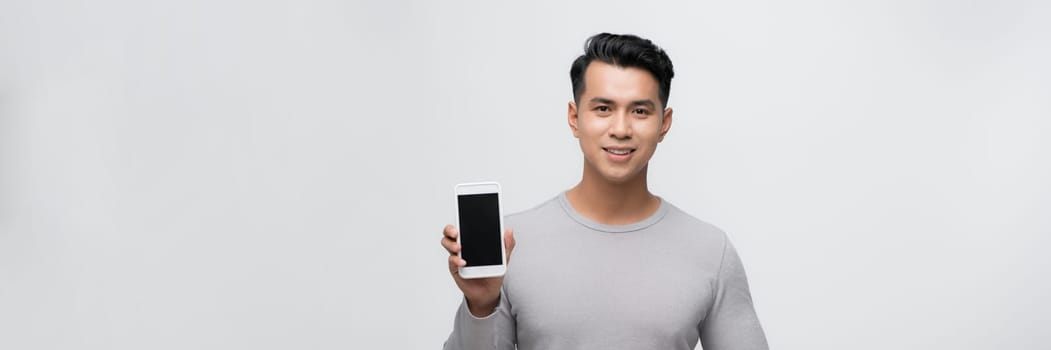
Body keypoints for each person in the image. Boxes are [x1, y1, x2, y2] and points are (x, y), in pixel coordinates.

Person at [440, 33, 768, 350]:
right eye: (603, 109)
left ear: (664, 124)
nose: (621, 129)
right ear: (574, 117)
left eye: (640, 111)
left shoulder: (710, 250)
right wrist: (480, 306)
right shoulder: (511, 243)